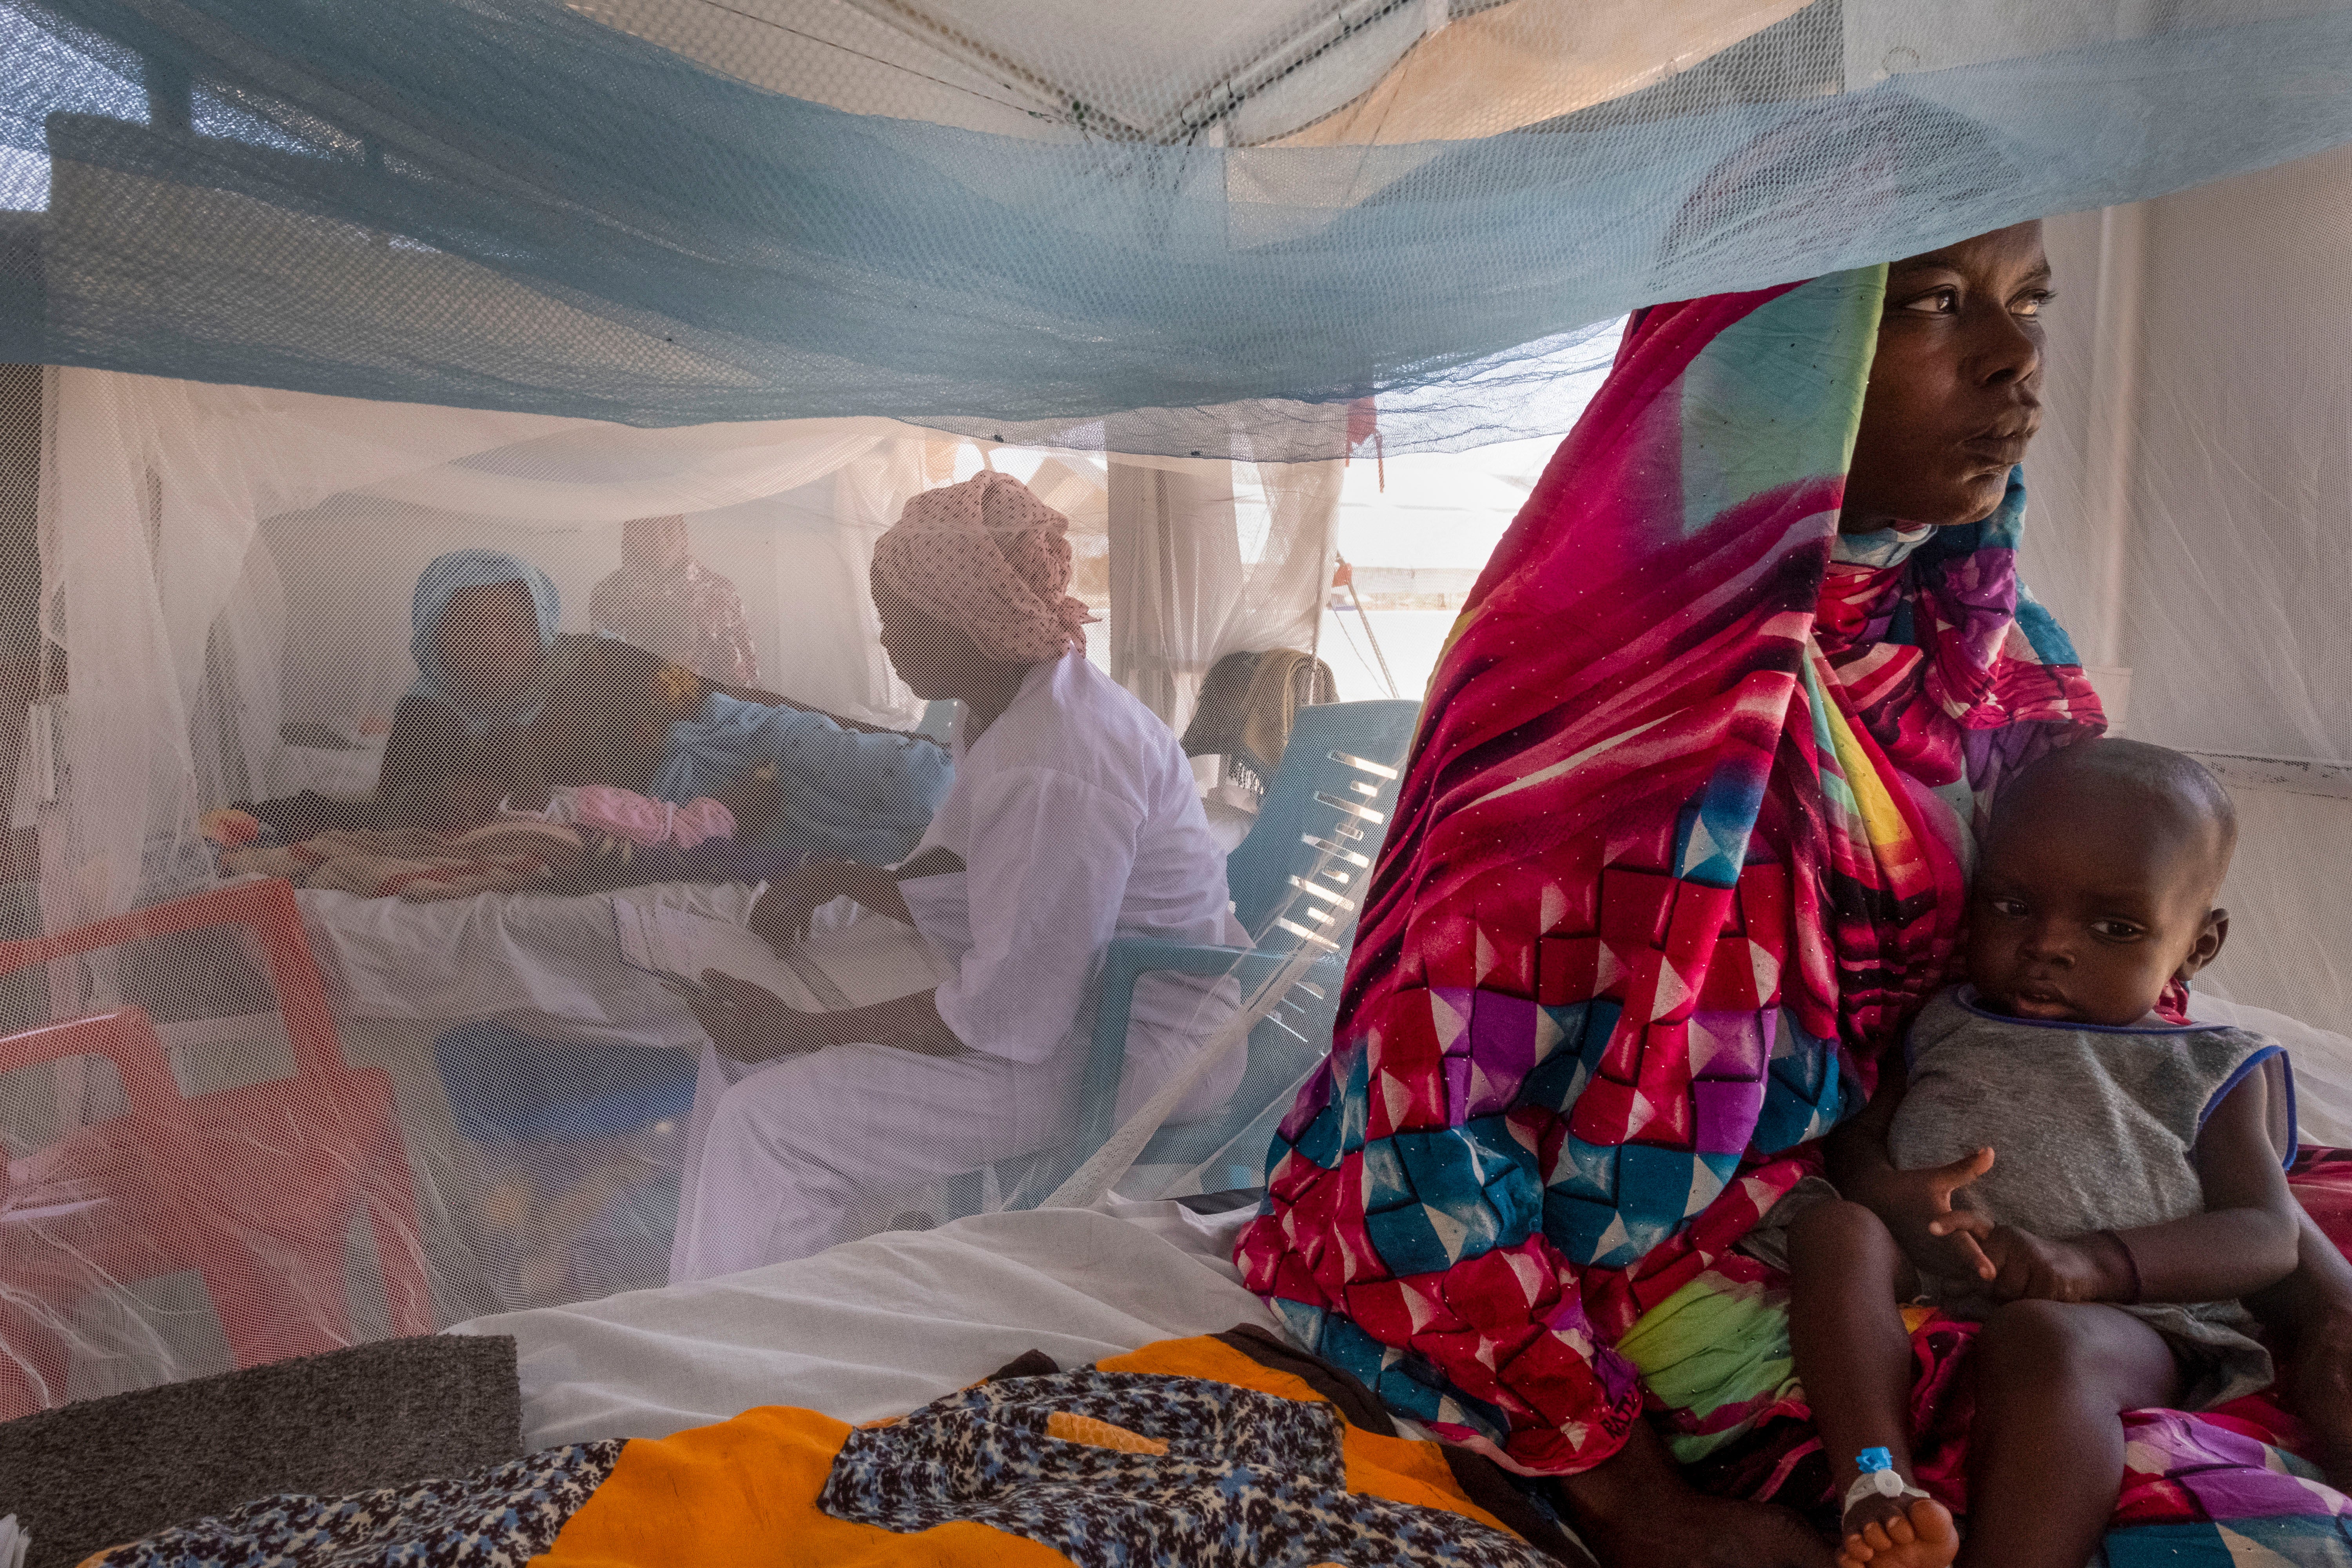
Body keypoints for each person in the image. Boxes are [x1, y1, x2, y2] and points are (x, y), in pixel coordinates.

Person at [1234, 223, 2352, 1566]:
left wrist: (2316, 1306)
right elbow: (1413, 1137)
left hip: (2008, 1228)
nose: (2017, 363)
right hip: (1733, 1268)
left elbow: (2122, 1027)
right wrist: (1640, 1503)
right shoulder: (1595, 701)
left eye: (2030, 303)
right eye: (1937, 305)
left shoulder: (1986, 652)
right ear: (1767, 357)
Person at [668, 472, 1244, 1278]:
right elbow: (963, 874)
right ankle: (721, 1296)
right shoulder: (1013, 707)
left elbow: (1007, 1012)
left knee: (773, 1123)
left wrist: (801, 1031)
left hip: (1135, 1048)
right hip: (1074, 1005)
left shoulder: (1058, 762)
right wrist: (834, 873)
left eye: (902, 622)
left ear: (972, 625)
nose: (887, 642)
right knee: (735, 1053)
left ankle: (740, 1358)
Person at [1768, 740, 2298, 1568]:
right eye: (2013, 906)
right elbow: (1861, 1134)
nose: (2049, 944)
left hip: (2123, 1323)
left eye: (2115, 926)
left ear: (2197, 946)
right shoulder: (1944, 1016)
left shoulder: (2214, 1064)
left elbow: (2267, 1233)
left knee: (2045, 1338)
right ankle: (1879, 1483)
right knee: (1834, 1233)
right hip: (1936, 1274)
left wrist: (2092, 1265)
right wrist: (1888, 1192)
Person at [590, 515, 761, 687]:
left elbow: (745, 669)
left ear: (684, 534)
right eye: (646, 529)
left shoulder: (720, 590)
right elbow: (605, 669)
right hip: (638, 706)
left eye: (668, 528)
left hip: (713, 705)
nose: (659, 539)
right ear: (630, 536)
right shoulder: (608, 592)